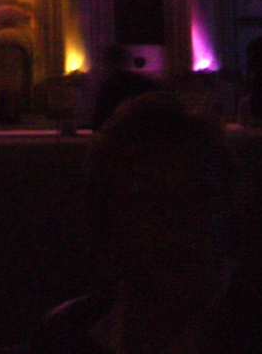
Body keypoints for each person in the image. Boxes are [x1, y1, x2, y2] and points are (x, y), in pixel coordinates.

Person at [32, 91, 260, 353]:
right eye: (149, 199)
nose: (177, 218)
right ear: (107, 217)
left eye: (200, 196)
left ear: (233, 208)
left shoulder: (68, 332)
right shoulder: (64, 334)